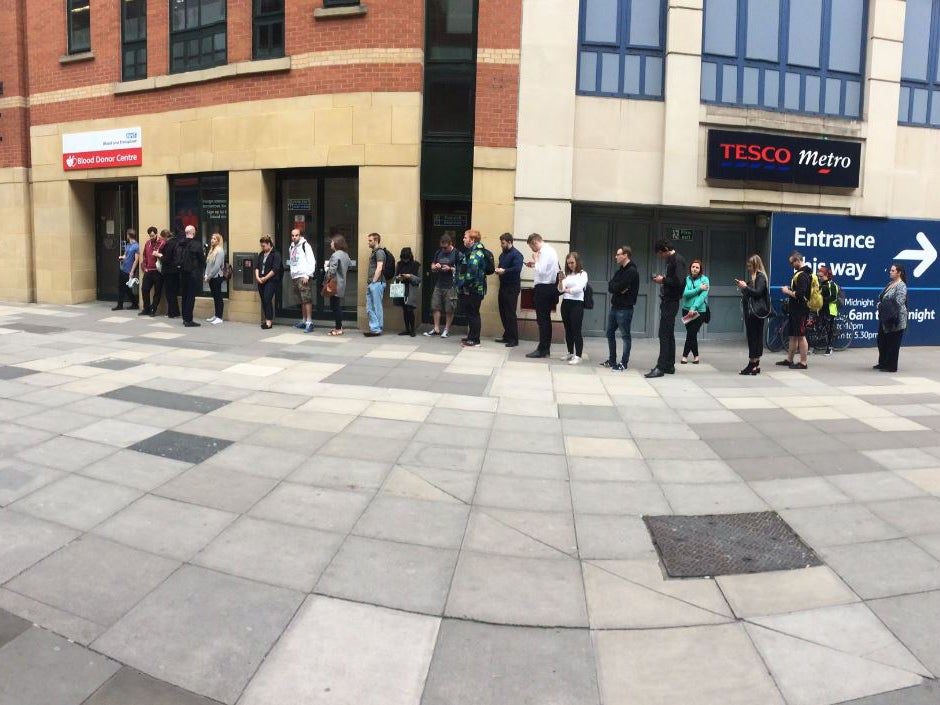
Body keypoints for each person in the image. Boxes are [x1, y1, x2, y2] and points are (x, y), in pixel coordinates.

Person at [646, 239, 686, 378]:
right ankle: (669, 365)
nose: (660, 256)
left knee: (664, 333)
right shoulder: (672, 260)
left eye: (660, 253)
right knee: (668, 333)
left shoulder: (677, 260)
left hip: (671, 301)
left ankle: (661, 367)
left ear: (665, 250)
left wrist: (662, 280)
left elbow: (680, 282)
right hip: (669, 300)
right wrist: (663, 279)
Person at [602, 245, 639, 371]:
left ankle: (624, 363)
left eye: (618, 254)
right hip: (615, 306)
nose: (616, 257)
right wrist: (618, 288)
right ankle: (612, 360)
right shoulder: (620, 271)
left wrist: (617, 287)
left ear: (625, 255)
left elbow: (619, 286)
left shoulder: (632, 271)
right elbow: (611, 286)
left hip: (625, 308)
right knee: (609, 332)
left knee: (625, 335)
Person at [524, 233, 560, 358]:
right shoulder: (550, 250)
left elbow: (542, 270)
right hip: (547, 288)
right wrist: (534, 264)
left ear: (535, 242)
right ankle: (544, 348)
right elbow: (544, 269)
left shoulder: (544, 252)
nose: (532, 250)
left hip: (544, 288)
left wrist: (535, 260)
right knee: (545, 320)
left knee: (543, 320)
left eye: (531, 247)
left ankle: (543, 349)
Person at [735, 254, 770, 375]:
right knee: (756, 337)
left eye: (750, 265)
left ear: (755, 265)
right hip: (754, 313)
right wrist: (744, 287)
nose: (748, 267)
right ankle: (755, 365)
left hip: (755, 313)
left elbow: (757, 292)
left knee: (753, 338)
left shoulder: (760, 277)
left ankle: (752, 364)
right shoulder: (756, 277)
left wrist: (745, 287)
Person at [777, 250, 812, 370]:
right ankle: (789, 359)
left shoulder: (803, 275)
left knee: (801, 335)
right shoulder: (800, 273)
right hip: (795, 309)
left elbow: (800, 295)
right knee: (793, 335)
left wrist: (787, 292)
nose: (791, 265)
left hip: (801, 310)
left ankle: (803, 362)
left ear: (798, 260)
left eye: (792, 262)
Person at [424, 234, 458, 339]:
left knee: (449, 308)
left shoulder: (457, 254)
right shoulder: (439, 252)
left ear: (450, 244)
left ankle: (446, 330)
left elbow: (461, 269)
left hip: (451, 285)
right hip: (439, 283)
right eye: (442, 247)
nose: (444, 249)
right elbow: (432, 265)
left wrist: (450, 268)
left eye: (445, 247)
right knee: (435, 306)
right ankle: (436, 328)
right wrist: (435, 267)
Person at [456, 229, 487, 348]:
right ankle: (471, 337)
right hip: (469, 288)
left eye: (465, 237)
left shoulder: (476, 252)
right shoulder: (471, 251)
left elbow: (472, 272)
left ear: (472, 239)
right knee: (470, 313)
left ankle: (475, 340)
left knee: (474, 313)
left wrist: (462, 283)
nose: (463, 239)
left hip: (474, 289)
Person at [875, 263, 908, 373]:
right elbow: (882, 296)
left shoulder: (901, 285)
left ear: (899, 273)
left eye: (893, 270)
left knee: (893, 342)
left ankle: (891, 365)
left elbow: (899, 301)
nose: (890, 272)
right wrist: (880, 304)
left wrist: (882, 305)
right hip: (885, 317)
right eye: (890, 270)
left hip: (895, 318)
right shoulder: (890, 283)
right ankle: (883, 362)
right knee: (882, 340)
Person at [559, 252, 588, 365]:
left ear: (577, 262)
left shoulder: (583, 274)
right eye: (568, 263)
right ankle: (570, 352)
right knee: (568, 329)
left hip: (577, 304)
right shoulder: (567, 275)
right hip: (566, 303)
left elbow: (579, 288)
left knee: (576, 330)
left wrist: (568, 290)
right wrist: (561, 281)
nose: (570, 265)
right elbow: (560, 289)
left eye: (572, 262)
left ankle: (578, 355)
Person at [495, 232, 523, 347]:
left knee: (510, 313)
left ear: (510, 242)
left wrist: (504, 271)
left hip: (512, 287)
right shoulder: (503, 254)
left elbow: (517, 268)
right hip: (503, 286)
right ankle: (507, 335)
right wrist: (498, 271)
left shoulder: (517, 255)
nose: (501, 245)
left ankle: (514, 339)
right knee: (503, 312)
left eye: (503, 243)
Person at [287, 228, 316, 333]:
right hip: (295, 276)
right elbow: (292, 261)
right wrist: (292, 274)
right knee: (301, 300)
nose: (294, 237)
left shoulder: (305, 246)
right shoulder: (291, 246)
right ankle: (304, 320)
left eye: (296, 235)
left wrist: (307, 275)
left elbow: (311, 261)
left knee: (306, 299)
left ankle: (309, 322)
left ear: (300, 236)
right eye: (292, 235)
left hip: (303, 276)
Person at [680, 259, 710, 364]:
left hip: (700, 311)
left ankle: (684, 356)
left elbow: (703, 296)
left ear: (700, 269)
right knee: (691, 333)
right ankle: (696, 356)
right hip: (686, 310)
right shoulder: (686, 279)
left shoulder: (705, 280)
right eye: (693, 267)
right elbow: (685, 293)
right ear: (690, 268)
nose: (695, 269)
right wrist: (698, 288)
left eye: (697, 267)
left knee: (691, 333)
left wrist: (694, 307)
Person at [178, 224, 207, 327]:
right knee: (191, 297)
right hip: (193, 274)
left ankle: (185, 318)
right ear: (193, 233)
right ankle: (189, 320)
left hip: (182, 273)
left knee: (185, 296)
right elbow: (202, 260)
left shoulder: (180, 244)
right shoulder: (196, 244)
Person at [325, 234, 351, 336]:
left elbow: (332, 270)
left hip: (334, 283)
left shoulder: (335, 255)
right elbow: (349, 265)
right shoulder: (345, 254)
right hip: (341, 283)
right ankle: (338, 326)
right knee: (336, 305)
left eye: (332, 242)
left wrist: (327, 277)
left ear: (336, 243)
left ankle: (338, 328)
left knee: (335, 306)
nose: (330, 243)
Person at [255, 236, 282, 330]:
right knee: (264, 301)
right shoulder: (261, 254)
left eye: (264, 245)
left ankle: (269, 322)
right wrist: (258, 277)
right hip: (261, 280)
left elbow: (275, 269)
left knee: (267, 299)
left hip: (271, 281)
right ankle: (266, 319)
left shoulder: (276, 254)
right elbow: (257, 266)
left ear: (269, 244)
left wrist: (265, 278)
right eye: (261, 246)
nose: (262, 248)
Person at [394, 247, 421, 337]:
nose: (405, 261)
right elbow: (396, 276)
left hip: (410, 289)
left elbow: (419, 279)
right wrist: (398, 277)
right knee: (404, 310)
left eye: (406, 258)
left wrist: (410, 276)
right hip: (401, 288)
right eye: (403, 259)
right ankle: (407, 329)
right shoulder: (399, 264)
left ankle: (412, 329)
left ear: (410, 256)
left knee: (410, 309)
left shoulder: (416, 265)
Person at [139, 226, 165, 317]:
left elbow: (164, 255)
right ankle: (146, 309)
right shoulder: (147, 243)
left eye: (153, 235)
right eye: (150, 236)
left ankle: (153, 309)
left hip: (158, 271)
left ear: (156, 234)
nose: (151, 237)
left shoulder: (162, 242)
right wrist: (145, 267)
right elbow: (144, 255)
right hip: (148, 271)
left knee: (157, 292)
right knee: (144, 289)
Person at [112, 229, 140, 311]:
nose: (127, 236)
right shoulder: (128, 245)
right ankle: (135, 304)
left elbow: (136, 260)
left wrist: (132, 271)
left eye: (127, 235)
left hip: (128, 270)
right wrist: (122, 258)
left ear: (129, 235)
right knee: (126, 288)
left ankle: (120, 305)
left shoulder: (136, 246)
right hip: (123, 268)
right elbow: (125, 255)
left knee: (123, 288)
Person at [365, 232, 386, 337]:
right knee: (370, 307)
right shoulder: (374, 252)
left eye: (370, 240)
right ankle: (375, 328)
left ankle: (377, 329)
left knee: (376, 307)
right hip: (373, 283)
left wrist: (373, 281)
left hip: (377, 283)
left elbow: (379, 267)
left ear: (376, 240)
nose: (368, 242)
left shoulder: (379, 252)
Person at [157, 229, 181, 319]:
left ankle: (172, 313)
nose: (160, 239)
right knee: (173, 292)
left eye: (161, 237)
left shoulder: (168, 244)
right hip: (175, 270)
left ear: (164, 237)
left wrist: (158, 255)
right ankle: (174, 312)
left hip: (169, 271)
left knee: (169, 292)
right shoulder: (176, 242)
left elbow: (166, 259)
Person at [203, 232, 226, 325]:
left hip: (217, 277)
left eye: (215, 239)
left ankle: (219, 317)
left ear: (219, 241)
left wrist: (208, 276)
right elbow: (208, 264)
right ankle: (216, 315)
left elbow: (216, 267)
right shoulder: (212, 250)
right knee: (215, 297)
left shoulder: (219, 251)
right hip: (211, 277)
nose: (212, 240)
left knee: (218, 297)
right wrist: (206, 274)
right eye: (212, 238)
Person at [817, 264, 839, 355]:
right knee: (820, 327)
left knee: (829, 329)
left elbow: (833, 297)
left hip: (830, 310)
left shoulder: (832, 285)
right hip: (821, 309)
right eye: (818, 276)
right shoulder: (821, 284)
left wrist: (823, 301)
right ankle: (817, 346)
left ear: (826, 275)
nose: (819, 278)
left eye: (821, 276)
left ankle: (829, 348)